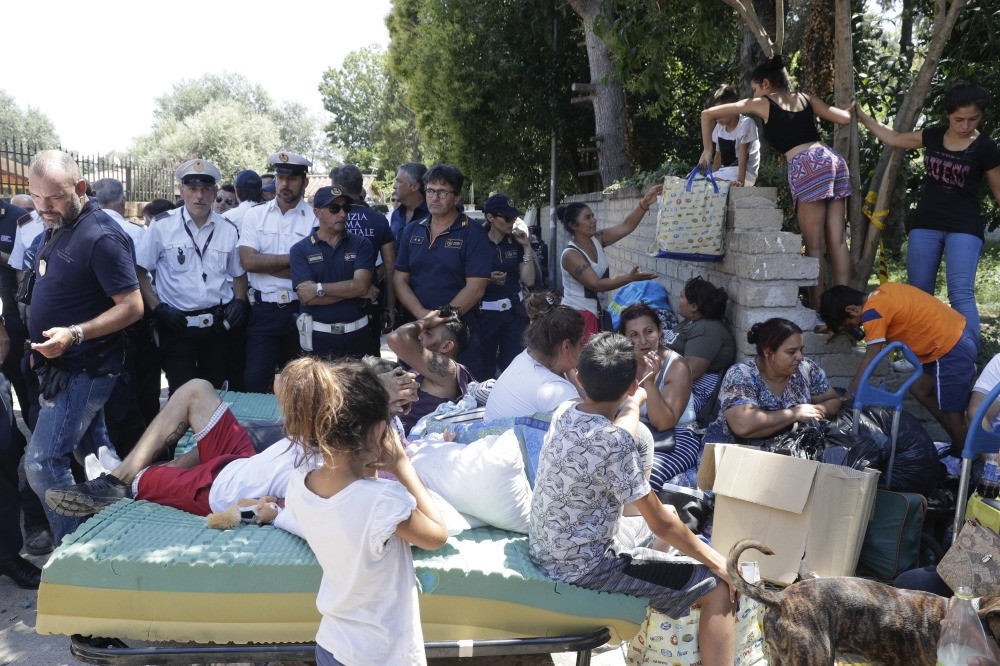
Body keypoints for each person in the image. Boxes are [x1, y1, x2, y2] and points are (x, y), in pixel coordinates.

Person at [529, 332, 735, 666]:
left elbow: (622, 429)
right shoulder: (616, 445)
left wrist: (636, 401)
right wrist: (719, 563)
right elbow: (661, 525)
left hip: (549, 550)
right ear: (631, 383)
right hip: (587, 567)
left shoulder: (565, 412)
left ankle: (649, 621)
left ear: (579, 378)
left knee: (670, 508)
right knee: (716, 586)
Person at [283, 358, 448, 666]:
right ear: (379, 433)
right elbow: (437, 535)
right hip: (380, 655)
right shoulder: (383, 501)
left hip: (332, 643)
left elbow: (353, 509)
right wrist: (402, 465)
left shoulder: (299, 483)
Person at [23, 149, 144, 544]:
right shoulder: (59, 224)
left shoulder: (102, 235)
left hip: (84, 370)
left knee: (42, 464)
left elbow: (132, 306)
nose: (45, 207)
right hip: (59, 369)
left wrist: (73, 334)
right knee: (97, 461)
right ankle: (119, 533)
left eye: (54, 197)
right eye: (36, 197)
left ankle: (73, 553)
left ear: (79, 187)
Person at [700, 55, 852, 317]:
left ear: (766, 84)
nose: (754, 94)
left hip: (806, 165)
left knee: (814, 245)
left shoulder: (763, 103)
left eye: (755, 88)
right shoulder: (805, 98)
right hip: (832, 160)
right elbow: (843, 119)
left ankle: (820, 312)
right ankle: (849, 311)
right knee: (838, 242)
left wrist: (707, 148)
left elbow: (707, 113)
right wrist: (853, 109)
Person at [852, 82, 1000, 340]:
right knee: (919, 293)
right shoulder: (932, 135)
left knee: (961, 293)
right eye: (959, 119)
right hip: (925, 224)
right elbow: (894, 138)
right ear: (947, 115)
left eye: (973, 119)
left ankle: (968, 357)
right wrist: (861, 115)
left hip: (965, 226)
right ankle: (919, 356)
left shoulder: (986, 147)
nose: (966, 126)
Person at [820, 283, 977, 455]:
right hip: (955, 336)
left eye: (851, 325)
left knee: (954, 414)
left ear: (852, 309)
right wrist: (839, 325)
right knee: (920, 389)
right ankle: (958, 440)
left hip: (950, 349)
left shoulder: (873, 313)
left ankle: (968, 461)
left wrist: (851, 393)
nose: (858, 328)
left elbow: (872, 356)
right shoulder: (882, 294)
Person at [136, 159, 249, 394]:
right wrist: (158, 308)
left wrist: (239, 301)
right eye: (193, 189)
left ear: (215, 193)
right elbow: (139, 270)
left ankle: (208, 433)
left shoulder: (227, 229)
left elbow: (238, 273)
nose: (199, 196)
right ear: (182, 191)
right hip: (177, 327)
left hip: (216, 329)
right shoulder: (162, 226)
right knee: (181, 396)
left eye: (206, 189)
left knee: (213, 394)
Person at [239, 151, 317, 392]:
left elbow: (317, 270)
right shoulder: (255, 215)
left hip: (302, 310)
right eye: (281, 177)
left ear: (304, 182)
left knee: (299, 388)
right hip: (264, 311)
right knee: (254, 382)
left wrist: (268, 264)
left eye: (292, 178)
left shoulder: (316, 218)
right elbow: (249, 262)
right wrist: (296, 261)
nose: (285, 184)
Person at [703, 318, 842, 445]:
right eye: (791, 352)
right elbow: (743, 426)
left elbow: (835, 401)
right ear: (768, 352)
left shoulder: (805, 369)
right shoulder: (742, 374)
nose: (800, 357)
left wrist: (817, 410)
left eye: (801, 350)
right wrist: (795, 414)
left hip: (786, 450)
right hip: (734, 451)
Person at [393, 164, 493, 324]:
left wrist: (440, 318)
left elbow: (475, 289)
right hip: (417, 324)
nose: (434, 198)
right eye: (430, 191)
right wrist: (422, 315)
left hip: (458, 328)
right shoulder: (411, 230)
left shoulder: (473, 233)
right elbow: (399, 280)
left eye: (442, 192)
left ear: (457, 197)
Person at [619, 302, 702, 490]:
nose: (643, 340)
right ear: (624, 339)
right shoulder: (622, 363)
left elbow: (664, 422)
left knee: (644, 480)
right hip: (637, 434)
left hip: (677, 436)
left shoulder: (677, 365)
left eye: (648, 331)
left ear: (660, 332)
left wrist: (649, 381)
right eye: (633, 335)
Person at [558, 186, 660, 340]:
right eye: (587, 218)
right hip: (578, 318)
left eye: (592, 216)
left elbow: (627, 226)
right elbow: (596, 284)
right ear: (573, 225)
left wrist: (645, 203)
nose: (594, 220)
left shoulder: (597, 239)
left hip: (598, 313)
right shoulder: (570, 255)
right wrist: (630, 278)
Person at [290, 186, 375, 359]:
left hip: (358, 336)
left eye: (346, 208)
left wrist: (318, 289)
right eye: (334, 208)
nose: (343, 214)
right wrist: (355, 291)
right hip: (318, 339)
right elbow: (307, 297)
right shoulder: (300, 250)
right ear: (317, 212)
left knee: (358, 386)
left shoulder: (361, 244)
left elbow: (360, 285)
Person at [464, 194, 537, 380]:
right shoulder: (475, 241)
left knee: (515, 365)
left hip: (514, 313)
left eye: (514, 217)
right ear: (490, 217)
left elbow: (528, 281)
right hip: (484, 315)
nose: (512, 222)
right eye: (507, 217)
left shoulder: (516, 242)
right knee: (485, 366)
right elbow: (462, 277)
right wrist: (486, 279)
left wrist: (527, 247)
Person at [484, 292, 584, 421]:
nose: (583, 347)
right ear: (566, 346)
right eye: (581, 342)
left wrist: (570, 367)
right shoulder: (556, 391)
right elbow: (593, 429)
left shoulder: (529, 355)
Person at [330, 163, 397, 349]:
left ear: (340, 189)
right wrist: (390, 307)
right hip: (369, 303)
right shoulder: (378, 220)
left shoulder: (327, 218)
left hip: (332, 301)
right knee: (368, 367)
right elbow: (391, 266)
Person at [388, 307, 472, 435]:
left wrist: (426, 321)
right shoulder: (422, 368)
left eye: (428, 333)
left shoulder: (451, 371)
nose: (419, 336)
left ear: (446, 346)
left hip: (416, 446)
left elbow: (396, 338)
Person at [663, 276, 736, 423]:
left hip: (688, 394)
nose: (679, 299)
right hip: (669, 384)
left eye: (682, 296)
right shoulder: (691, 322)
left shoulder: (708, 329)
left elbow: (691, 372)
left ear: (694, 306)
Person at [705, 84, 760, 187]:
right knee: (698, 179)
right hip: (725, 173)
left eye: (720, 112)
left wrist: (740, 182)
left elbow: (744, 155)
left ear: (732, 108)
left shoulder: (746, 124)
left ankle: (726, 183)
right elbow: (718, 154)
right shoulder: (719, 128)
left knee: (708, 181)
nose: (717, 117)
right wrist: (712, 175)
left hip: (745, 174)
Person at [389, 162, 429, 245]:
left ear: (414, 186)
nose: (394, 186)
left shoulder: (432, 215)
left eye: (399, 181)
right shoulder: (396, 214)